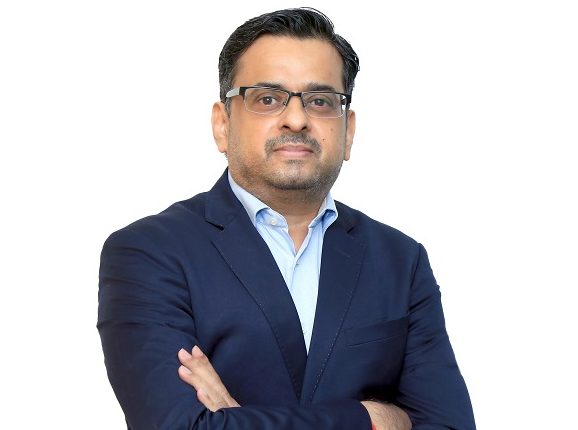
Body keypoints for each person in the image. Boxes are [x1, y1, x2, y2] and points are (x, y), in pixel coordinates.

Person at [97, 7, 475, 430]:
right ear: (222, 124)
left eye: (320, 101)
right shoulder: (150, 252)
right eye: (267, 98)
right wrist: (372, 418)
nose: (296, 119)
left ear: (348, 131)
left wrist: (238, 421)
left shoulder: (401, 260)